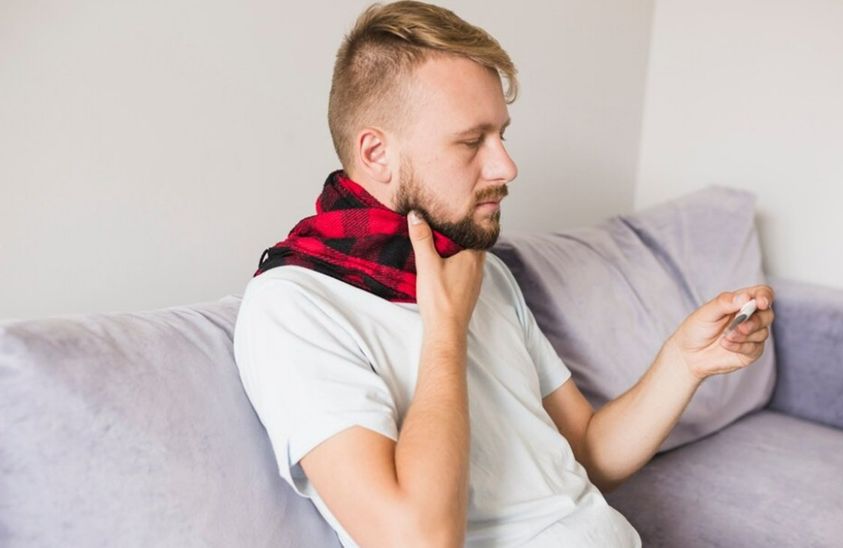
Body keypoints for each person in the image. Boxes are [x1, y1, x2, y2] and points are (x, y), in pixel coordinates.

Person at [233, 1, 776, 546]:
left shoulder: (478, 268)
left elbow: (587, 455)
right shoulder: (293, 306)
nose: (506, 167)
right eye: (472, 141)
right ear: (377, 154)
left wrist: (684, 362)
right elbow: (419, 539)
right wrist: (445, 331)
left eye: (501, 136)